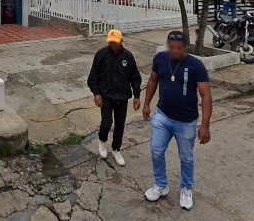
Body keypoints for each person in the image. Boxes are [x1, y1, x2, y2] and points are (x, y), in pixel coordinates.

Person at [142, 31, 213, 211]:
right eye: (171, 47)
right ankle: (161, 185)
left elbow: (206, 95)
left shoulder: (196, 65)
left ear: (185, 48)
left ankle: (186, 188)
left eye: (178, 48)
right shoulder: (160, 59)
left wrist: (205, 126)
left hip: (186, 122)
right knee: (156, 150)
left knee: (186, 158)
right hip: (162, 116)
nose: (174, 51)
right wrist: (147, 104)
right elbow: (152, 80)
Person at [87, 29, 142, 166]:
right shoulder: (101, 55)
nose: (113, 44)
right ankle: (102, 141)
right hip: (106, 97)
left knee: (120, 125)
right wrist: (96, 93)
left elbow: (135, 77)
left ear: (121, 41)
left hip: (122, 97)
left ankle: (116, 149)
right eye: (111, 42)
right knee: (106, 123)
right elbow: (93, 77)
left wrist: (137, 95)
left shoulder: (128, 57)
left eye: (115, 42)